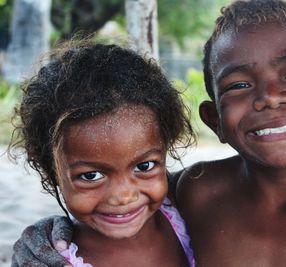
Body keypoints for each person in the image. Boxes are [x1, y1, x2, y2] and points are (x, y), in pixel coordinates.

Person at [10, 1, 286, 266]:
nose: (271, 97)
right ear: (214, 120)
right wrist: (48, 235)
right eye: (239, 85)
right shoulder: (198, 192)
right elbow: (116, 179)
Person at [8, 41, 196, 267]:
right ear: (49, 170)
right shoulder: (56, 261)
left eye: (144, 167)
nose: (123, 196)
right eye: (90, 176)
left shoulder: (192, 213)